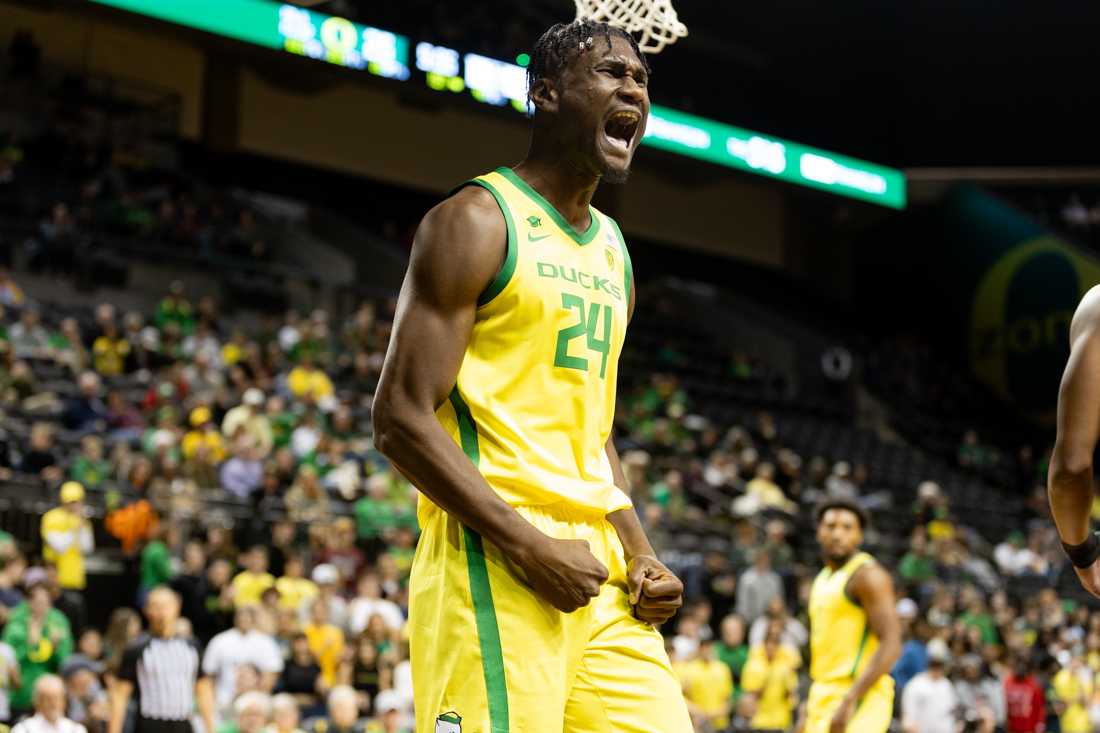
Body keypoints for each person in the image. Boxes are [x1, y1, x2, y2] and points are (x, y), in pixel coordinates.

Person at [372, 18, 690, 733]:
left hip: (598, 566)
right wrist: (525, 542)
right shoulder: (476, 221)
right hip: (495, 553)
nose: (633, 86)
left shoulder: (613, 250)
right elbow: (398, 418)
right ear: (546, 93)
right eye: (611, 72)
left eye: (640, 78)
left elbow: (592, 430)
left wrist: (641, 552)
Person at [799, 498, 901, 733]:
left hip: (860, 695)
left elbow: (892, 643)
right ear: (818, 532)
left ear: (860, 536)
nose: (837, 534)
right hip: (822, 694)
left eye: (847, 527)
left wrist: (850, 699)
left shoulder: (868, 576)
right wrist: (808, 704)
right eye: (831, 526)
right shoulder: (821, 579)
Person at [108, 587, 215, 733]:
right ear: (147, 610)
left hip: (183, 723)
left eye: (165, 606)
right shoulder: (136, 648)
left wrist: (210, 728)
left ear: (177, 607)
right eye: (155, 606)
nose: (161, 612)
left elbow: (203, 690)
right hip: (149, 724)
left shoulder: (192, 646)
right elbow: (120, 695)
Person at [4, 583, 73, 717]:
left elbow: (64, 662)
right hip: (21, 695)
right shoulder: (15, 623)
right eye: (37, 602)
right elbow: (7, 660)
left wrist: (55, 648)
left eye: (46, 602)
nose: (41, 607)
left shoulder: (58, 622)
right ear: (28, 602)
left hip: (49, 697)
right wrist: (29, 644)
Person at [202, 607, 283, 710]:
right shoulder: (220, 641)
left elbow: (271, 674)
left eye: (247, 617)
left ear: (253, 619)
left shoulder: (265, 642)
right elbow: (209, 674)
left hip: (256, 702)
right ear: (235, 618)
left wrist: (257, 697)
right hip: (223, 700)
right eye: (241, 617)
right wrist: (212, 699)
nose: (244, 620)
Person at [40, 482, 93, 630]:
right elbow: (59, 547)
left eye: (77, 502)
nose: (74, 506)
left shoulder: (82, 521)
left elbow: (87, 548)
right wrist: (74, 527)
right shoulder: (51, 517)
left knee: (74, 618)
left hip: (75, 579)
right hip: (55, 581)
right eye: (71, 502)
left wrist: (81, 525)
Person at [899, 644, 958, 733]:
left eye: (940, 663)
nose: (938, 667)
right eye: (935, 663)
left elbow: (953, 712)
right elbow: (908, 722)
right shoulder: (916, 684)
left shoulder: (946, 684)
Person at [11, 675, 85, 733]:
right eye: (48, 699)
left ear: (64, 701)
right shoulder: (22, 730)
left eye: (56, 698)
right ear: (37, 702)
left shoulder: (76, 729)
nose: (53, 704)